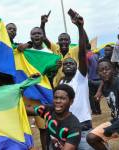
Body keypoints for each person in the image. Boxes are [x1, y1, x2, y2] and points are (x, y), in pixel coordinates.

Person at [58, 12, 93, 149]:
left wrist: (80, 27)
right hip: (67, 130)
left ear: (77, 66)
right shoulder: (61, 83)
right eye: (65, 63)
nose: (68, 65)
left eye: (71, 63)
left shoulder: (81, 77)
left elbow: (82, 53)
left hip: (83, 127)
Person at [40, 11, 89, 87]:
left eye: (66, 40)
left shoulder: (75, 50)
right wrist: (42, 23)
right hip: (58, 85)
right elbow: (43, 38)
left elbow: (85, 43)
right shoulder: (55, 48)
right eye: (61, 39)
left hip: (73, 85)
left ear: (69, 42)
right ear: (58, 42)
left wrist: (80, 26)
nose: (63, 41)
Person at [34, 84, 81, 150]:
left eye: (62, 98)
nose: (58, 101)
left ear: (71, 101)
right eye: (56, 98)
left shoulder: (74, 126)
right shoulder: (48, 110)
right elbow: (29, 109)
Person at [87, 59, 119, 150]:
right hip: (116, 120)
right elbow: (103, 81)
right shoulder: (105, 85)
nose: (104, 72)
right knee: (91, 138)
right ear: (98, 73)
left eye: (107, 69)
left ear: (113, 70)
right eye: (101, 70)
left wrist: (110, 129)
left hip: (116, 124)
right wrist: (99, 90)